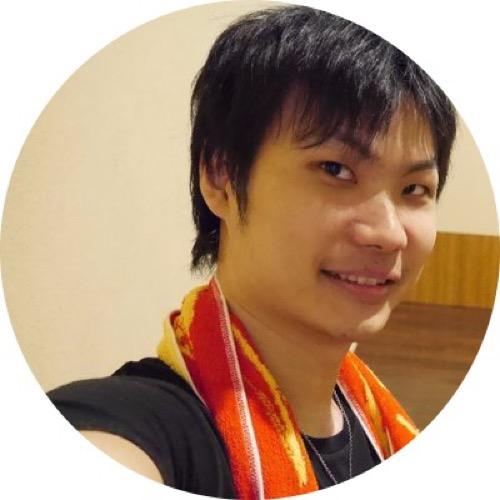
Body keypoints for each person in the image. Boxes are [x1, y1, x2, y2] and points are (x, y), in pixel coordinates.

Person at [47, 5, 456, 498]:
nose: (389, 234)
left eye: (415, 189)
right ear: (220, 178)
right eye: (335, 170)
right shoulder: (145, 432)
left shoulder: (377, 422)